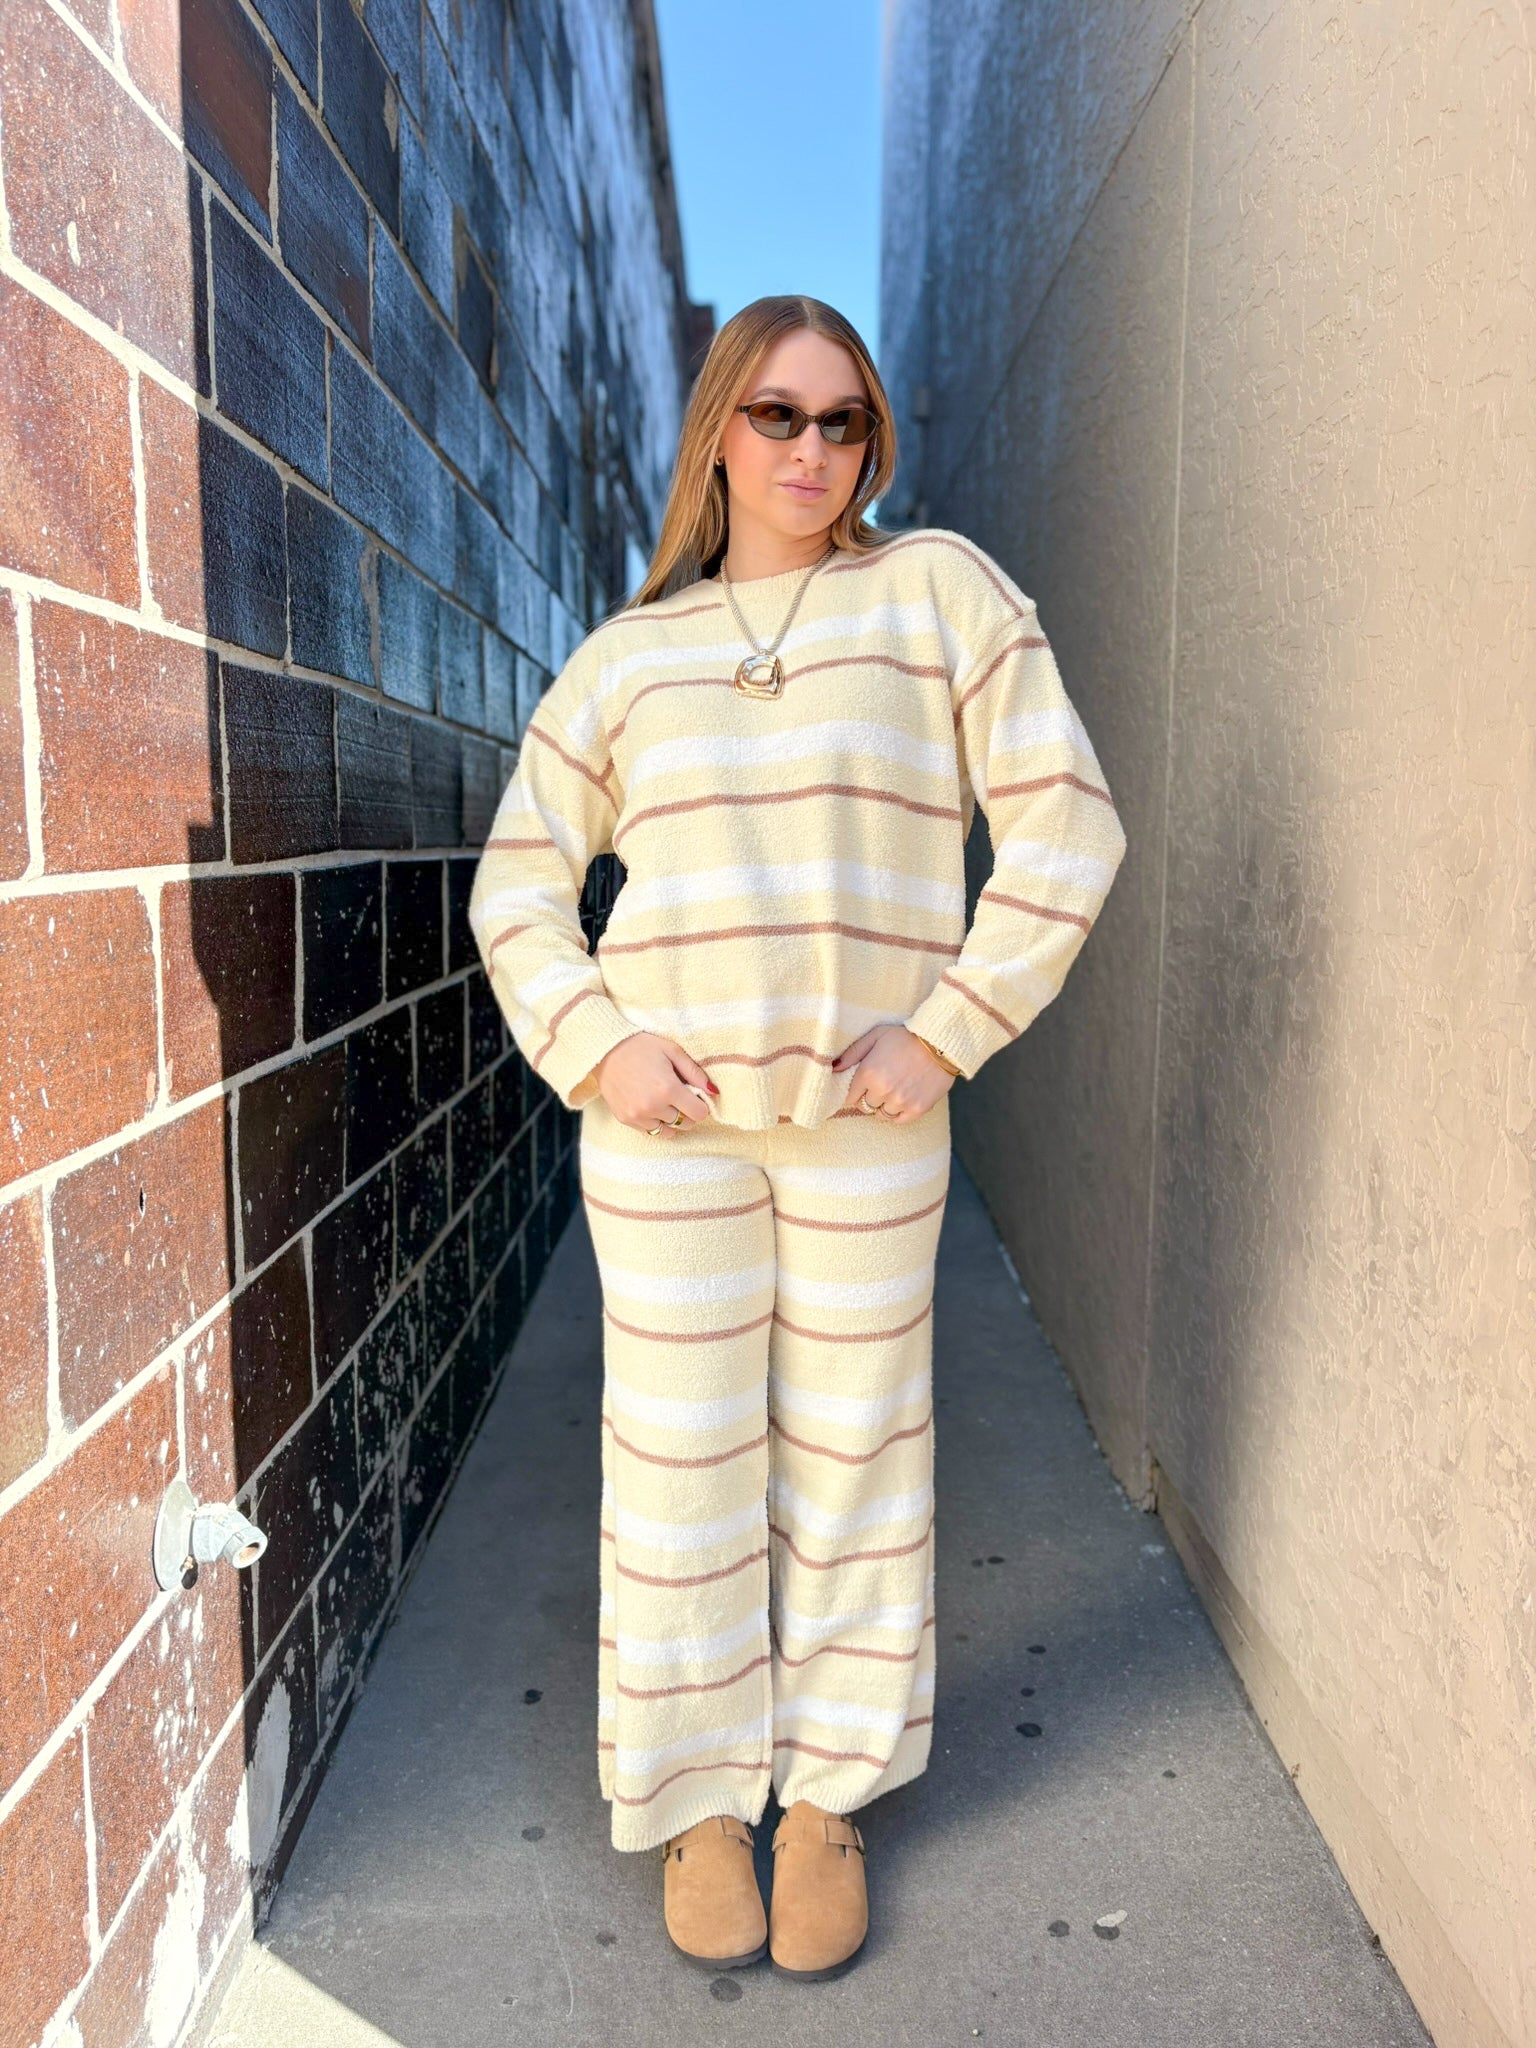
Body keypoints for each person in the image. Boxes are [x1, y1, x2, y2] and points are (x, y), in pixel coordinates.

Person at [467, 294, 1127, 1979]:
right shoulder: (631, 657)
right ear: (718, 432)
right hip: (668, 1139)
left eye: (845, 422)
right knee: (681, 1465)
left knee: (853, 1454)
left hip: (862, 1129)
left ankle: (828, 1792)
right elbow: (521, 887)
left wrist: (951, 1023)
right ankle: (697, 1795)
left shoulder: (938, 595)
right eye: (778, 416)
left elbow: (1067, 824)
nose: (814, 451)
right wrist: (599, 1049)